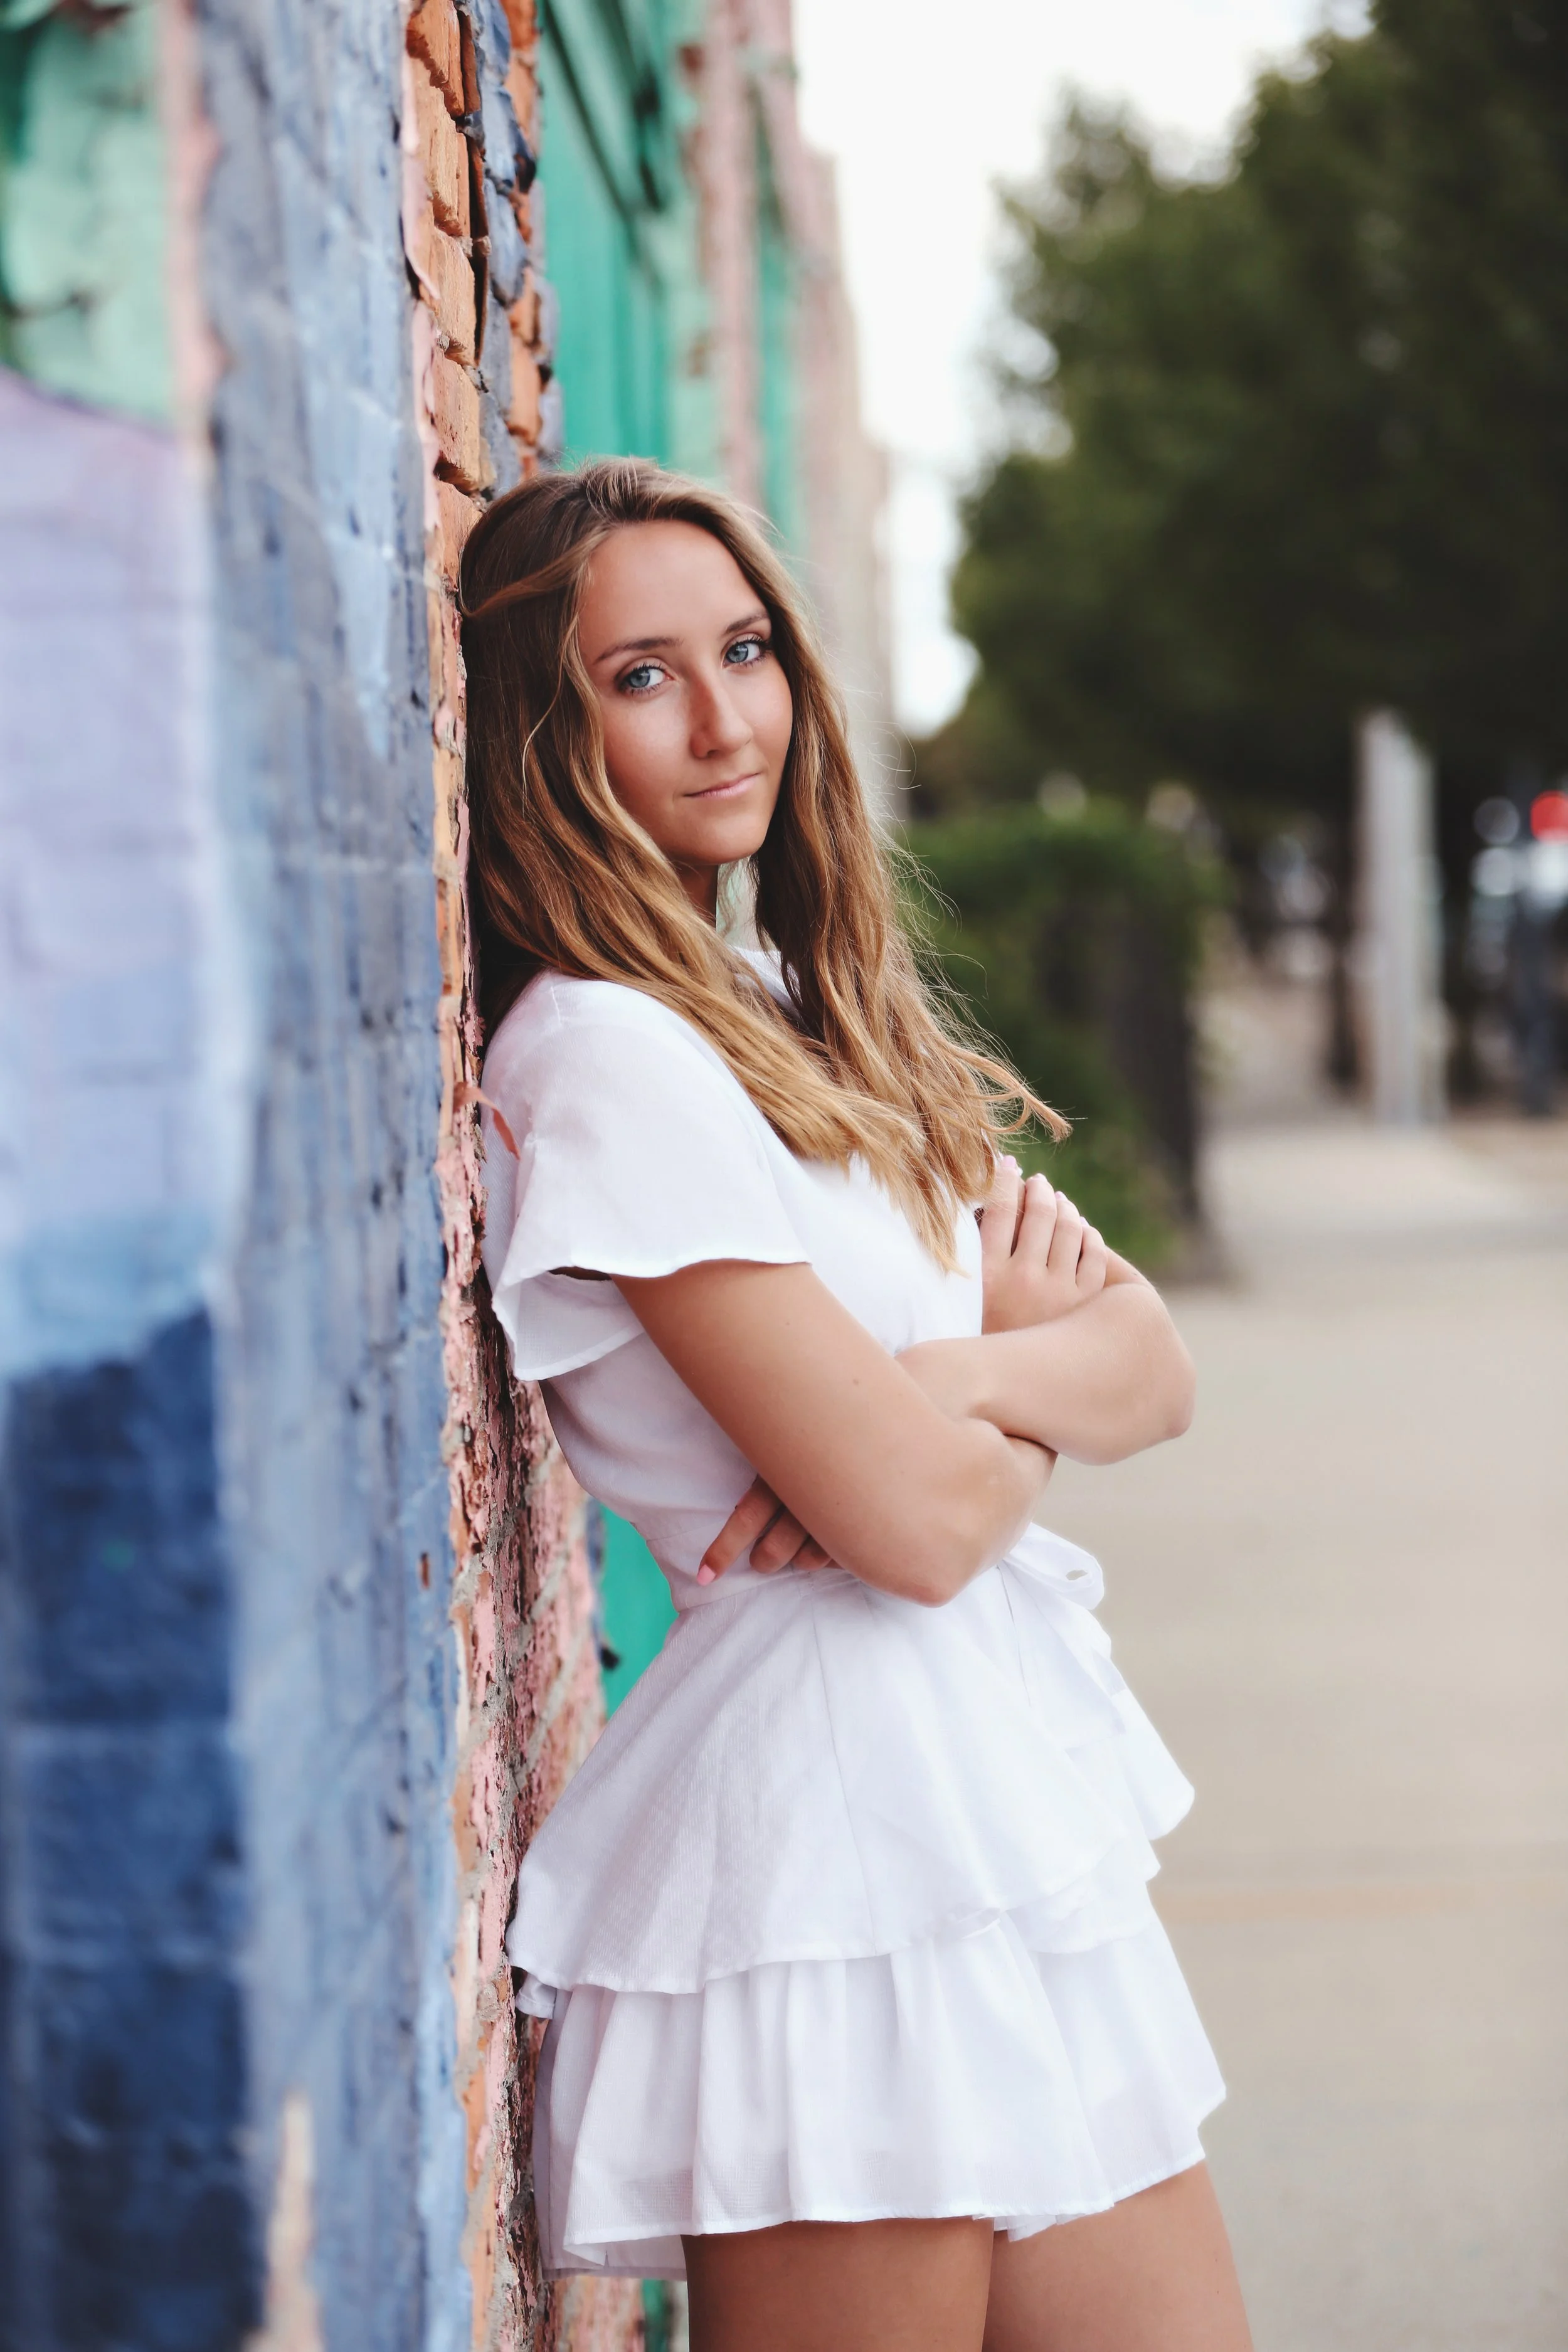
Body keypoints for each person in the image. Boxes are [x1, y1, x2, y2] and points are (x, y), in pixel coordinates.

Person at [459, 458, 1251, 2352]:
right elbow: (904, 1530)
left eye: (743, 649)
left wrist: (947, 1382)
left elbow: (1150, 1355)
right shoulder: (604, 1055)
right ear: (541, 729)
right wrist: (975, 1419)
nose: (725, 715)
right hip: (823, 1841)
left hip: (983, 1800)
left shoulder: (799, 1001)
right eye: (638, 675)